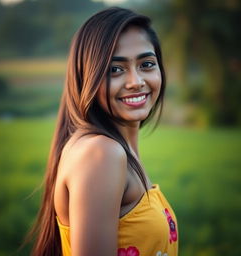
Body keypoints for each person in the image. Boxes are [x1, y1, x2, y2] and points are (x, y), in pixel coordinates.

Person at [30, 7, 178, 256]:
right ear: (88, 76)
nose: (136, 81)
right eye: (115, 69)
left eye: (147, 64)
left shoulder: (113, 150)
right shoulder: (102, 153)